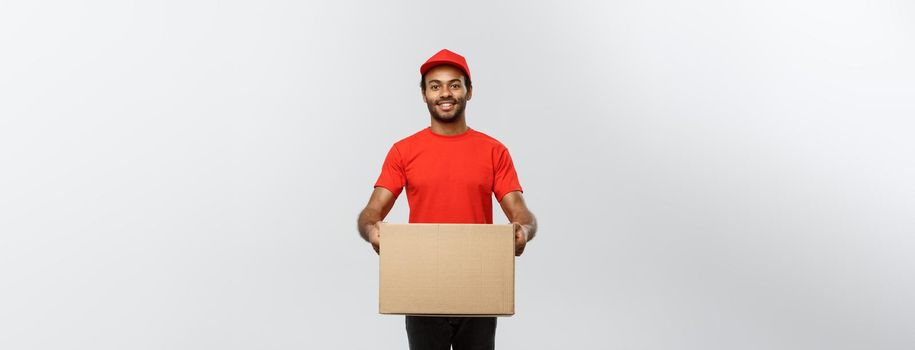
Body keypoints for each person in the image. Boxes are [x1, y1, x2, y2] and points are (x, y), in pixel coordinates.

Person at [357, 48, 538, 350]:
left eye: (455, 84)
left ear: (469, 92)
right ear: (424, 94)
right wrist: (372, 231)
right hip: (423, 288)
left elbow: (520, 212)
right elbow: (371, 211)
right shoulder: (404, 151)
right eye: (435, 85)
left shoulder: (494, 151)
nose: (445, 93)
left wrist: (524, 231)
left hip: (478, 286)